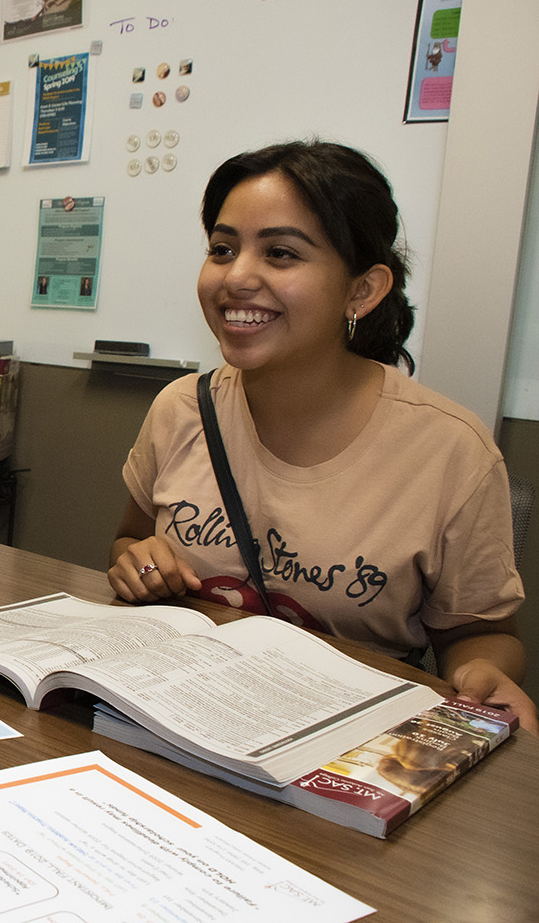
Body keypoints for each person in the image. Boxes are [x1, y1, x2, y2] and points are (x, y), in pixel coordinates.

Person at [108, 140, 536, 734]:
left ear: (362, 290)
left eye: (281, 253)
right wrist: (136, 562)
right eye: (222, 249)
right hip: (181, 718)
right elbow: (129, 541)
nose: (236, 276)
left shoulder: (453, 451)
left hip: (349, 742)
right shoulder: (181, 408)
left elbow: (480, 634)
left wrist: (485, 671)